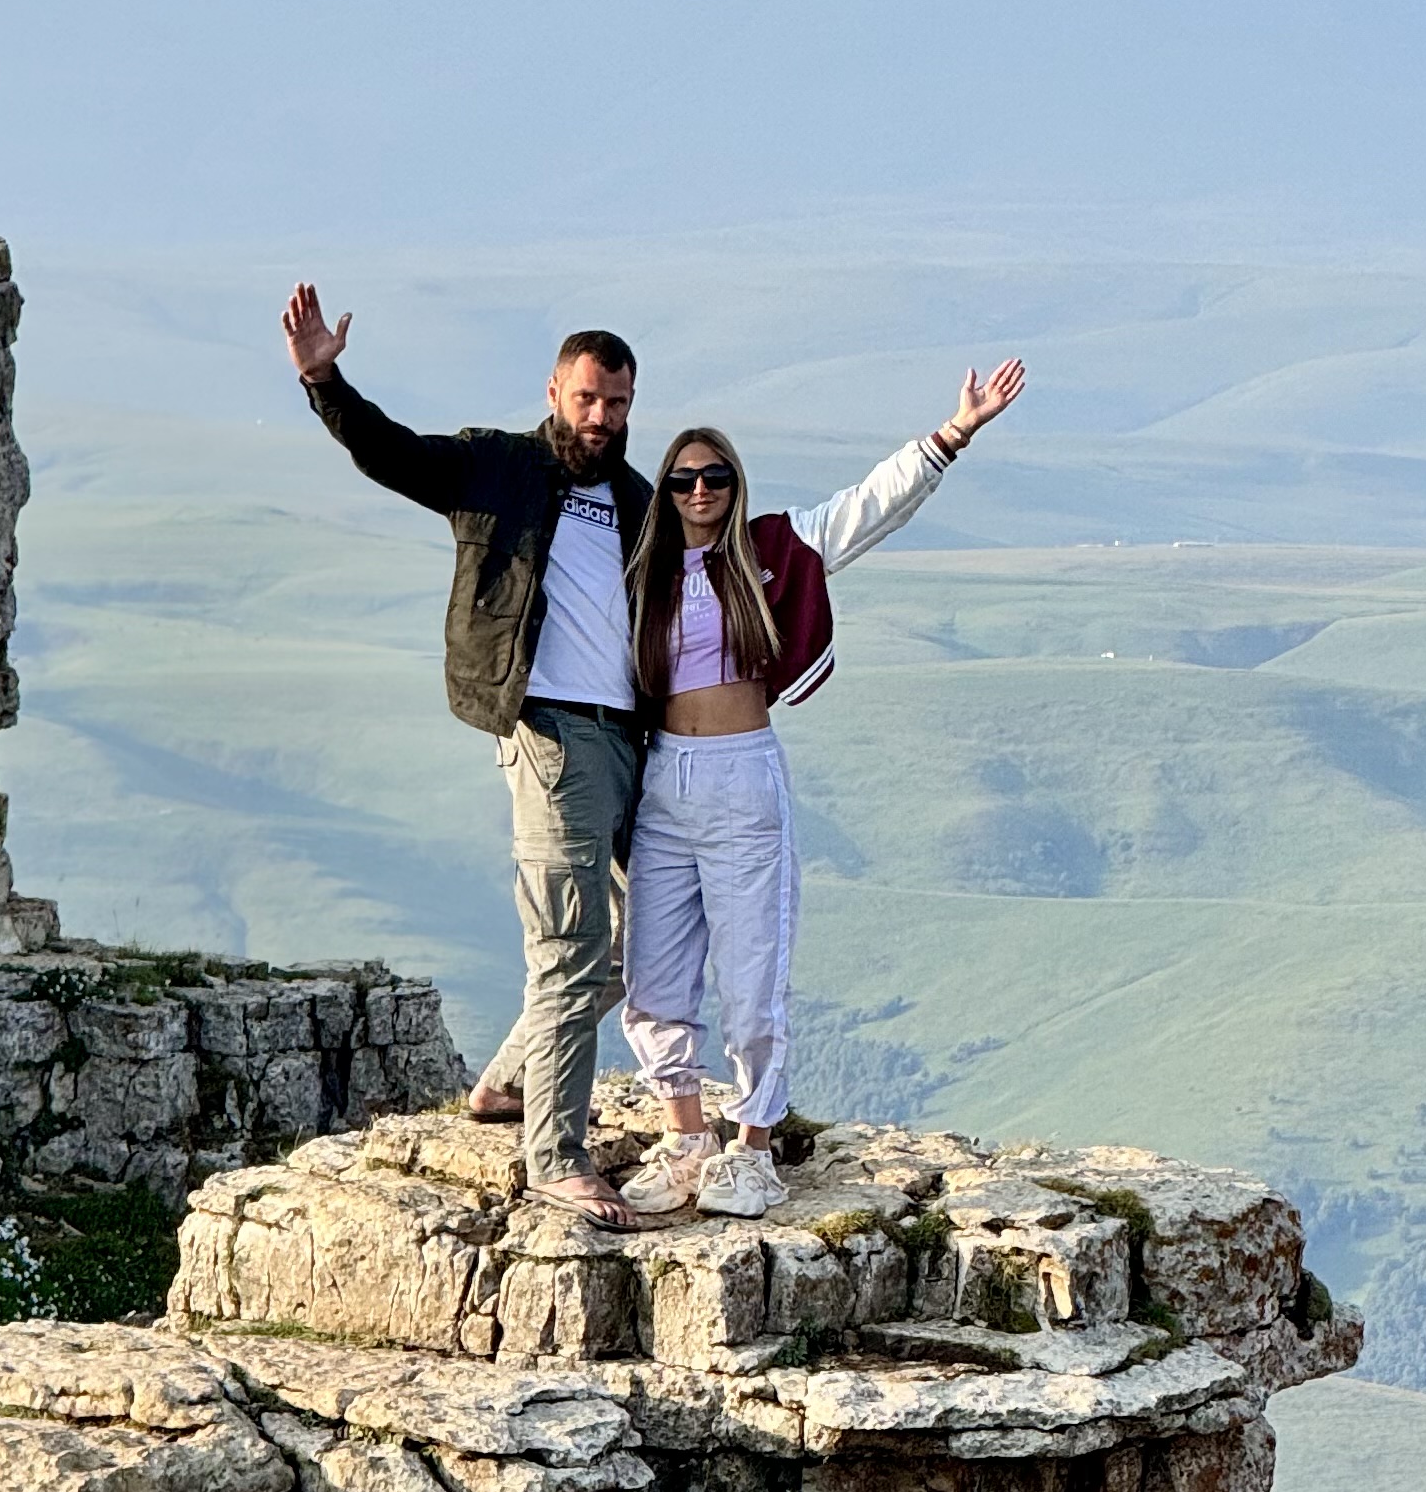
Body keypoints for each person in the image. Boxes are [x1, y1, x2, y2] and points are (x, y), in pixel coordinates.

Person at [280, 283, 656, 1223]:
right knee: (570, 948)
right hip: (553, 734)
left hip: (630, 740)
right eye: (587, 398)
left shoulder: (638, 501)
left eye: (616, 403)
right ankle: (556, 1158)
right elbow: (393, 453)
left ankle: (507, 1084)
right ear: (555, 391)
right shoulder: (497, 467)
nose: (601, 418)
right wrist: (326, 382)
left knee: (644, 940)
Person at [623, 361, 1025, 1219]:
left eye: (714, 476)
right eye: (684, 479)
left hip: (741, 774)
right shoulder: (641, 568)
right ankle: (686, 1140)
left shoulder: (771, 550)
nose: (700, 491)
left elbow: (869, 506)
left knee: (752, 974)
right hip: (661, 780)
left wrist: (954, 432)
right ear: (666, 490)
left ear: (734, 482)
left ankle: (752, 1150)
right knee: (653, 974)